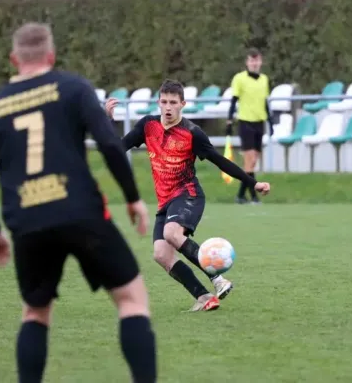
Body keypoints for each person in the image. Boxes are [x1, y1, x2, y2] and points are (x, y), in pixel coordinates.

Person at [0, 23, 156, 382]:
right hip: (81, 213)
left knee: (34, 312)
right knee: (131, 300)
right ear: (52, 55)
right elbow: (109, 143)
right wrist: (133, 198)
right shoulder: (74, 88)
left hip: (28, 222)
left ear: (14, 59)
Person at [105, 79, 270, 312]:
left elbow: (219, 160)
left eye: (173, 102)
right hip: (165, 202)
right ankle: (204, 297)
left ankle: (217, 279)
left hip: (188, 195)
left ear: (183, 104)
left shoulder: (192, 133)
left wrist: (253, 183)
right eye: (164, 102)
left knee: (171, 233)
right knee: (161, 255)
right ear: (158, 103)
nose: (168, 107)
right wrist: (109, 122)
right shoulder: (147, 126)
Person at [225, 48, 274, 204]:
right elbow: (233, 100)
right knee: (249, 160)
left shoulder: (264, 80)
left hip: (259, 122)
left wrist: (270, 121)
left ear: (260, 62)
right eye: (251, 60)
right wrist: (229, 120)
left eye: (257, 60)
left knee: (252, 162)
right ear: (247, 62)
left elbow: (265, 102)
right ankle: (253, 195)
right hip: (246, 122)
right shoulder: (239, 79)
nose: (254, 63)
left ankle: (241, 195)